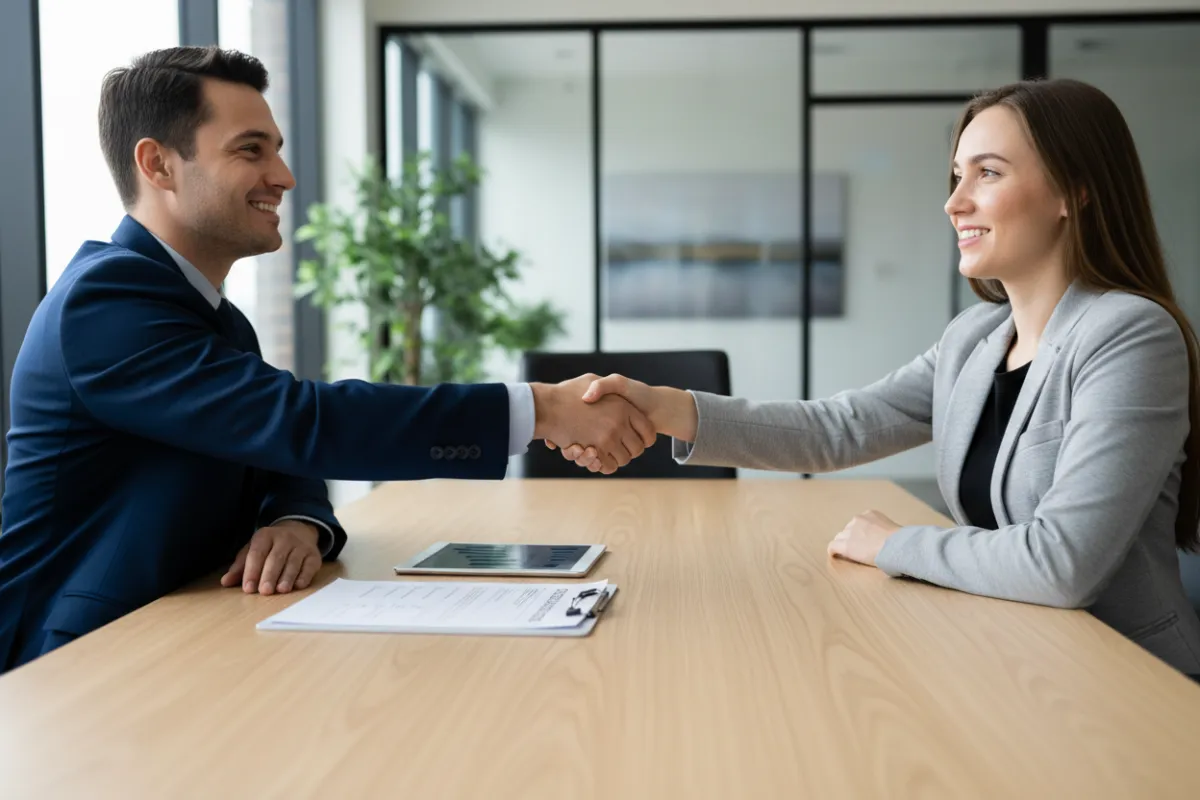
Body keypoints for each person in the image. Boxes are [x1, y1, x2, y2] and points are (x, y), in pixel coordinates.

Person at [0, 46, 653, 673]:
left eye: (277, 150)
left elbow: (267, 443)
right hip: (78, 661)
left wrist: (298, 519)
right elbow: (297, 423)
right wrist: (538, 409)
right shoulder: (105, 301)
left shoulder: (216, 319)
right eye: (251, 151)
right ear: (159, 165)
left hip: (185, 634)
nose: (283, 177)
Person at [554, 78, 1200, 678]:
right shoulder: (974, 339)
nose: (955, 202)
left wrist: (893, 544)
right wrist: (667, 407)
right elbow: (839, 428)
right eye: (956, 175)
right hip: (1018, 654)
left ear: (1075, 190)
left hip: (1124, 676)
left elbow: (1062, 565)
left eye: (989, 173)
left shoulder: (1128, 334)